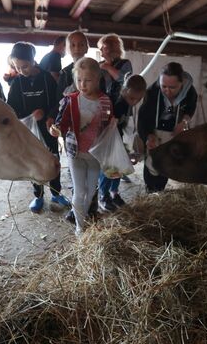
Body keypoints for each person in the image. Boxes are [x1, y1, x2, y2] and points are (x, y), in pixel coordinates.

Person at [50, 57, 113, 236]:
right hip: (75, 152)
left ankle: (82, 217)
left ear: (98, 79)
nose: (82, 84)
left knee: (91, 191)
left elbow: (107, 122)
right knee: (79, 191)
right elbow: (62, 122)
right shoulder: (71, 100)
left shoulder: (105, 101)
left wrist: (112, 125)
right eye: (79, 80)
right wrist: (56, 130)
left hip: (95, 154)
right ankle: (79, 227)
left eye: (87, 80)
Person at [6, 42, 70, 213]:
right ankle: (38, 195)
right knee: (34, 162)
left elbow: (58, 101)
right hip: (29, 130)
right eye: (17, 67)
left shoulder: (47, 78)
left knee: (53, 159)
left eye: (25, 66)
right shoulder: (17, 83)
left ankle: (56, 193)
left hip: (48, 128)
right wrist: (28, 117)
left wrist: (49, 116)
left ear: (33, 61)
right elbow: (10, 108)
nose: (21, 71)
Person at [138, 62, 198, 193]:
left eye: (172, 87)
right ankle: (150, 191)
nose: (167, 91)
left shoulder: (190, 91)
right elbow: (143, 118)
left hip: (173, 132)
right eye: (163, 86)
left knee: (166, 163)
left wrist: (183, 122)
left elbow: (191, 107)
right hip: (156, 131)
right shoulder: (153, 91)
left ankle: (160, 190)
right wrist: (148, 136)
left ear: (181, 83)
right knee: (152, 163)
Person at [98, 74, 147, 209]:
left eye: (139, 99)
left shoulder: (127, 103)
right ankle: (103, 195)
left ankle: (114, 193)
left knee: (118, 168)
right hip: (108, 140)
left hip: (118, 138)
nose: (134, 102)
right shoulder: (115, 102)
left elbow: (125, 126)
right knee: (108, 168)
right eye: (132, 98)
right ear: (124, 90)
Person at [97, 33, 133, 211]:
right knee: (106, 157)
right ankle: (102, 194)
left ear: (112, 47)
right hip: (103, 115)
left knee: (117, 155)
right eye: (100, 48)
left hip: (120, 115)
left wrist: (107, 67)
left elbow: (125, 82)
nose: (101, 51)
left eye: (103, 47)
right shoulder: (99, 67)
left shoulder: (124, 64)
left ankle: (113, 191)